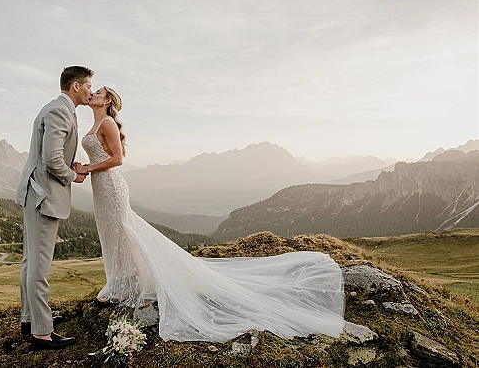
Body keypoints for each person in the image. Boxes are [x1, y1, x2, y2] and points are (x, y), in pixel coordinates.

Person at [75, 86, 345, 343]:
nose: (93, 93)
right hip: (101, 188)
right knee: (111, 233)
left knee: (125, 232)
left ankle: (127, 285)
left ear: (107, 101)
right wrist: (82, 170)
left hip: (111, 186)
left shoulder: (107, 123)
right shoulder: (93, 125)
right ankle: (120, 282)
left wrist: (88, 168)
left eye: (98, 92)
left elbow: (118, 159)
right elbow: (101, 158)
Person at [15, 66, 93, 351]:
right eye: (87, 86)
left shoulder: (56, 108)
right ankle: (42, 334)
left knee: (29, 261)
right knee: (39, 266)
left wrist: (69, 165)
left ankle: (30, 320)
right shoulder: (60, 111)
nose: (90, 91)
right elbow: (51, 159)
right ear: (75, 86)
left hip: (35, 193)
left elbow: (53, 155)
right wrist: (74, 176)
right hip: (42, 197)